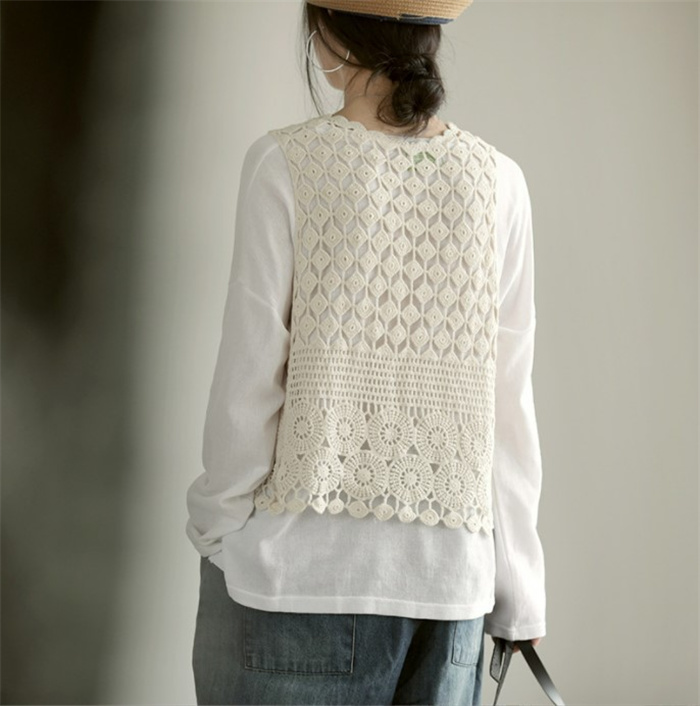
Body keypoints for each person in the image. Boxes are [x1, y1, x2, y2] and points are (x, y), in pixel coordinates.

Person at [186, 1, 547, 704]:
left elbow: (249, 382)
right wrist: (519, 590)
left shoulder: (285, 163)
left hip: (299, 580)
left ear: (327, 32)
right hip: (452, 597)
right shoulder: (499, 181)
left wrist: (217, 527)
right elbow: (509, 406)